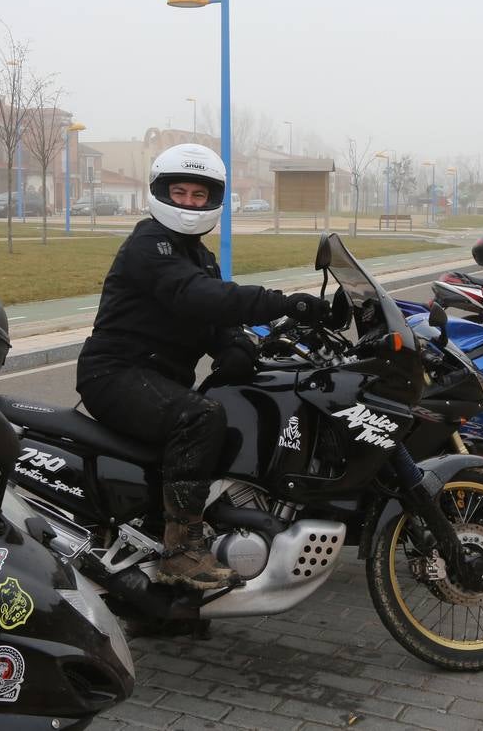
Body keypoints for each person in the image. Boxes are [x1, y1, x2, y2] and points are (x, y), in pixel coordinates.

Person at [75, 143, 324, 591]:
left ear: (213, 200)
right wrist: (282, 303)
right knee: (200, 416)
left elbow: (209, 317)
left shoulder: (198, 255)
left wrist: (240, 346)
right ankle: (181, 551)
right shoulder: (150, 243)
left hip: (152, 377)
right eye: (181, 192)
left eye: (199, 195)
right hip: (115, 373)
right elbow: (196, 296)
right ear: (160, 193)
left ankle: (161, 599)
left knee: (225, 398)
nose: (190, 203)